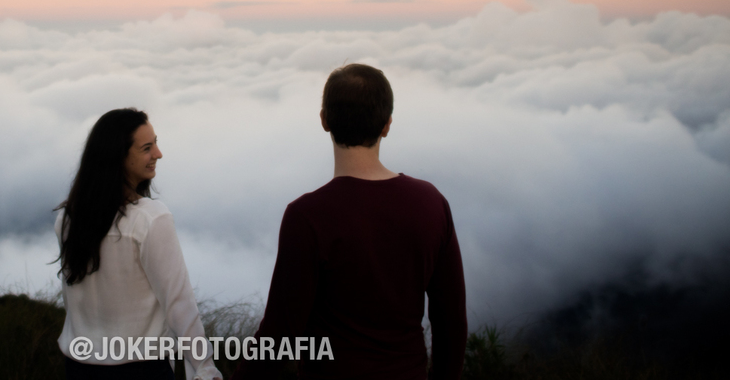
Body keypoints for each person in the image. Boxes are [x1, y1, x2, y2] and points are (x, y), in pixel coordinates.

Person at [233, 64, 467, 380]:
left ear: (324, 120)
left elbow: (279, 335)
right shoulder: (431, 203)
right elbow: (450, 321)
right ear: (387, 125)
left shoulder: (307, 216)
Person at [56, 108, 223, 380]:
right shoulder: (150, 219)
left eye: (156, 143)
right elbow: (180, 305)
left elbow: (74, 300)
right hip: (141, 368)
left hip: (78, 366)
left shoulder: (68, 219)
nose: (158, 153)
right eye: (147, 147)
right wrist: (205, 369)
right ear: (118, 157)